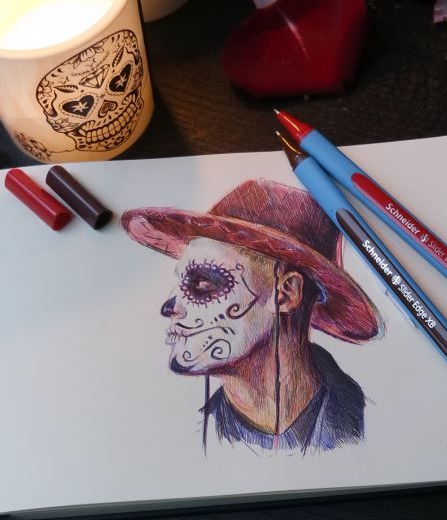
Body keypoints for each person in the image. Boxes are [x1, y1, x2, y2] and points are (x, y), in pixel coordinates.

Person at [121, 179, 384, 452]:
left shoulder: (367, 424)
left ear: (286, 293)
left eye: (203, 284)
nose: (170, 306)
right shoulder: (184, 436)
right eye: (181, 281)